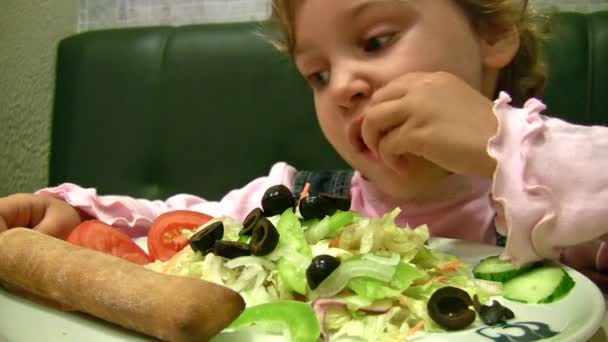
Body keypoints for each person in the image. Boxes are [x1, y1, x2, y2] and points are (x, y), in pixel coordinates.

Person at [1, 0, 607, 289]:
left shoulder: (569, 204)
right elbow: (183, 229)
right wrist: (78, 217)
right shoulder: (299, 200)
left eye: (375, 41)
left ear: (494, 32)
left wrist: (504, 145)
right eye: (317, 74)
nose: (343, 85)